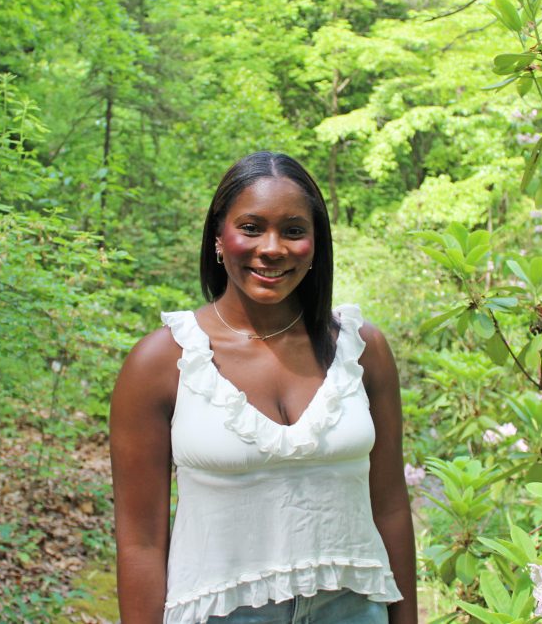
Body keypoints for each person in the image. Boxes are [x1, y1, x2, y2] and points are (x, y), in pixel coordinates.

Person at [110, 151, 417, 624]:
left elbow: (391, 507)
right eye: (251, 227)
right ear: (218, 237)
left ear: (316, 245)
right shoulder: (162, 361)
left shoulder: (361, 349)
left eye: (293, 230)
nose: (272, 248)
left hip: (354, 608)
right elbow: (141, 542)